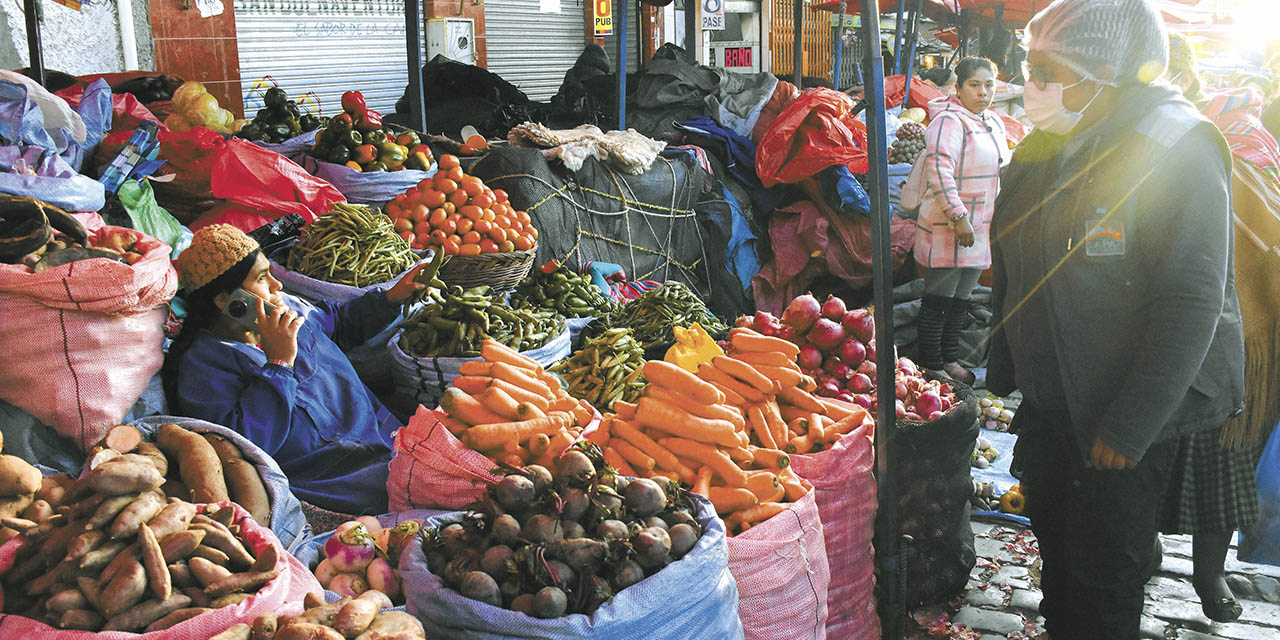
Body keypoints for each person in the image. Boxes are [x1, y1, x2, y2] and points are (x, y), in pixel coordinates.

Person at [987, 1, 1245, 638]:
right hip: (1055, 406)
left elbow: (1192, 299)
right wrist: (1004, 365)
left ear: (1103, 72)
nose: (1030, 83)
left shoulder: (1177, 145)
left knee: (1107, 578)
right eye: (1029, 65)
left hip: (1120, 415)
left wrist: (1128, 426)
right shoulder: (1051, 142)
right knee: (1061, 569)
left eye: (1047, 69)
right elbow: (1015, 251)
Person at [163, 224, 431, 516]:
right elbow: (245, 446)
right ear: (229, 302)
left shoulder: (285, 313)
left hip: (389, 438)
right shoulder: (201, 368)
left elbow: (337, 323)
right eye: (263, 278)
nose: (277, 287)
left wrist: (391, 297)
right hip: (340, 481)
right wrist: (279, 365)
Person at [1160, 31, 1280, 622]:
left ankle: (1210, 578)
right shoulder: (1147, 134)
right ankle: (1142, 552)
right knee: (1143, 454)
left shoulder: (1240, 136)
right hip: (1159, 313)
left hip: (1233, 323)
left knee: (1221, 460)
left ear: (1180, 78)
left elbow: (1268, 231)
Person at [912, 57, 1008, 384]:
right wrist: (957, 215)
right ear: (959, 87)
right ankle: (931, 363)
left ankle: (950, 359)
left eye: (989, 85)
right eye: (975, 85)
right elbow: (940, 170)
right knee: (939, 297)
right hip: (949, 223)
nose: (983, 92)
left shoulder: (993, 121)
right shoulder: (948, 122)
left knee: (961, 299)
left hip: (981, 224)